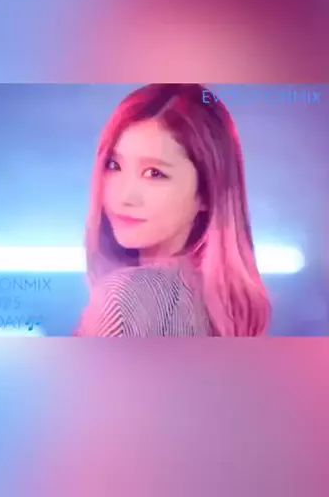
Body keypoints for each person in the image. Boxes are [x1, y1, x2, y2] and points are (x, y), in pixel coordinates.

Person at [74, 83, 270, 337]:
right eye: (114, 165)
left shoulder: (123, 299)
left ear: (207, 193)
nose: (125, 196)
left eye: (154, 173)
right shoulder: (227, 310)